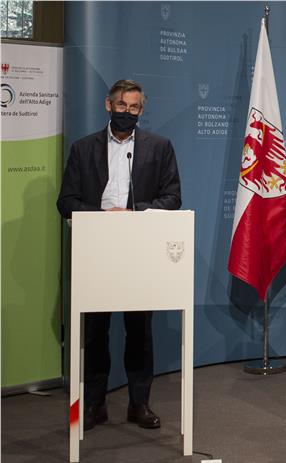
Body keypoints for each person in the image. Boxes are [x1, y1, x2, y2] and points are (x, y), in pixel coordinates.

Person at [57, 79, 182, 430]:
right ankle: (95, 404)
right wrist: (103, 217)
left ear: (142, 110)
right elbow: (66, 202)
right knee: (95, 330)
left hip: (139, 248)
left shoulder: (159, 147)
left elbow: (172, 198)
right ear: (108, 106)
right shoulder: (83, 149)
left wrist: (135, 211)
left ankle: (139, 404)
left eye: (135, 108)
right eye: (122, 106)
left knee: (139, 329)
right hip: (95, 248)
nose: (128, 113)